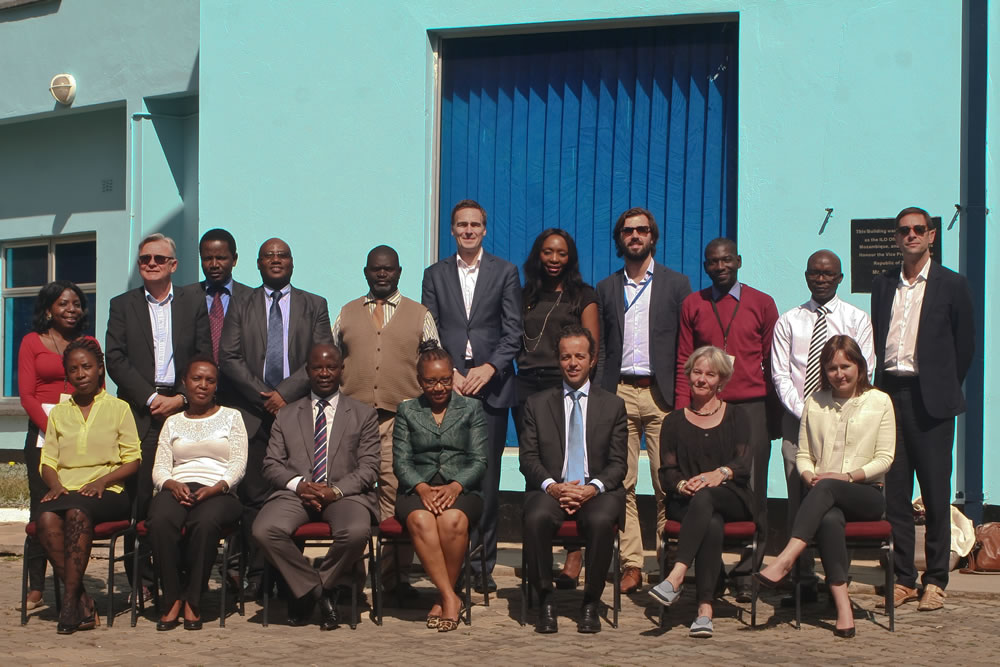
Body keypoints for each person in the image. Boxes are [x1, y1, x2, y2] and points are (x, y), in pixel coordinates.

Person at [756, 335, 895, 638]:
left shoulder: (880, 401)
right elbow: (803, 455)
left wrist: (846, 477)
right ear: (824, 371)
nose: (839, 374)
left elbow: (885, 458)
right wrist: (808, 476)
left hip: (866, 494)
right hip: (823, 496)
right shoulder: (814, 403)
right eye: (832, 368)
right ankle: (843, 608)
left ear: (859, 366)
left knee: (828, 488)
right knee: (830, 519)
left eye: (846, 366)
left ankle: (787, 557)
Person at [219, 237, 334, 598]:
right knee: (253, 498)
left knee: (294, 494)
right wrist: (263, 395)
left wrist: (284, 393)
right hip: (253, 414)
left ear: (292, 262)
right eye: (268, 256)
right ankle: (256, 575)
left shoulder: (314, 305)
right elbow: (229, 357)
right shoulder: (240, 303)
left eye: (282, 255)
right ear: (257, 264)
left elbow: (321, 355)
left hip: (297, 412)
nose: (275, 260)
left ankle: (287, 578)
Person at [872, 206, 974, 611]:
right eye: (903, 230)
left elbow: (963, 347)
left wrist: (942, 385)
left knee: (934, 492)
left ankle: (935, 580)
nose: (911, 235)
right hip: (890, 396)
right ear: (896, 238)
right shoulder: (883, 286)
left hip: (931, 400)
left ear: (931, 235)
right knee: (895, 493)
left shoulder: (952, 285)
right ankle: (902, 578)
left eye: (918, 229)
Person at [421, 199, 522, 594]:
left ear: (484, 229)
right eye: (461, 225)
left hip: (492, 390)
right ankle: (454, 565)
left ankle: (483, 567)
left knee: (490, 481)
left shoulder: (505, 272)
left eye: (474, 225)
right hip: (449, 390)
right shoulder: (435, 274)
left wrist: (489, 368)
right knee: (450, 475)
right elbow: (429, 331)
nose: (467, 231)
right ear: (452, 230)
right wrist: (454, 374)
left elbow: (513, 330)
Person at [105, 233, 212, 591]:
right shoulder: (122, 304)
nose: (151, 264)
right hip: (140, 410)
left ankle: (177, 573)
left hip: (184, 410)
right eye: (144, 259)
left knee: (181, 490)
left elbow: (204, 355)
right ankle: (142, 579)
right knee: (141, 496)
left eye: (158, 259)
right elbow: (115, 360)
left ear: (173, 265)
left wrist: (181, 398)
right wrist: (151, 399)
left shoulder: (192, 302)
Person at [595, 206, 691, 594]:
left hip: (661, 394)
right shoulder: (605, 288)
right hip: (618, 392)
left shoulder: (676, 284)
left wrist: (684, 396)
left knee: (666, 481)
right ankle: (632, 565)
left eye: (643, 230)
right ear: (619, 239)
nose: (635, 236)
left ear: (653, 236)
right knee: (624, 482)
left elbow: (685, 347)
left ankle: (668, 562)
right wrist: (602, 394)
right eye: (628, 231)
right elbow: (601, 348)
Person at [675, 237, 778, 599]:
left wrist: (773, 416)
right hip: (704, 409)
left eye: (726, 261)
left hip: (750, 407)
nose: (720, 267)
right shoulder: (693, 303)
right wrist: (681, 411)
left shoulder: (762, 303)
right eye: (713, 262)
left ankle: (749, 570)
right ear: (705, 266)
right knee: (705, 485)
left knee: (754, 488)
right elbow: (683, 359)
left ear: (739, 261)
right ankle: (712, 568)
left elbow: (773, 362)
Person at [770, 250, 874, 605]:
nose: (821, 278)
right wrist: (807, 412)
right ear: (806, 276)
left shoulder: (857, 319)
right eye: (815, 272)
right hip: (796, 418)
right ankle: (801, 579)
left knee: (833, 498)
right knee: (797, 497)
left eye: (829, 273)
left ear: (840, 278)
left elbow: (865, 368)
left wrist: (831, 415)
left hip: (846, 422)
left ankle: (836, 578)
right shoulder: (789, 321)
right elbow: (781, 373)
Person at [252, 343, 379, 630]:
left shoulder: (363, 414)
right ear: (307, 371)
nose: (324, 373)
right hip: (296, 494)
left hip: (345, 495)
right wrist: (299, 486)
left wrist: (334, 490)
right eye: (317, 367)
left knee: (357, 531)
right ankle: (317, 592)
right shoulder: (286, 415)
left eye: (330, 367)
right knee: (263, 530)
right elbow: (271, 464)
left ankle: (311, 590)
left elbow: (368, 467)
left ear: (341, 370)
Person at [336, 244, 438, 598]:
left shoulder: (419, 314)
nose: (382, 274)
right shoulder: (347, 312)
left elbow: (433, 364)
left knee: (398, 497)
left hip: (401, 420)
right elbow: (332, 363)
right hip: (354, 420)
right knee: (351, 494)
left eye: (389, 269)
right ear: (366, 272)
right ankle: (351, 577)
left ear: (399, 272)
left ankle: (394, 580)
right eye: (376, 269)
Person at [519, 324, 628, 634]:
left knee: (600, 521)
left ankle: (590, 602)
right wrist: (553, 487)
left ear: (592, 359)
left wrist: (591, 489)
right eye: (566, 357)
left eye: (580, 356)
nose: (573, 363)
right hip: (552, 488)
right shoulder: (537, 404)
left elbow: (619, 464)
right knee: (536, 517)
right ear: (558, 360)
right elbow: (528, 458)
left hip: (596, 491)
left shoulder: (613, 405)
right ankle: (546, 600)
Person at [36, 338, 141, 633]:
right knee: (45, 517)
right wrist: (55, 484)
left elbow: (133, 460)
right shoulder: (58, 413)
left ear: (100, 371)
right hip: (67, 490)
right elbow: (47, 461)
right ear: (67, 376)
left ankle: (69, 603)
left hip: (109, 491)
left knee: (77, 514)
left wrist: (102, 481)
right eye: (73, 369)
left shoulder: (119, 408)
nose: (80, 373)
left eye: (86, 367)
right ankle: (82, 598)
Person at [648, 346, 754, 639]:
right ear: (688, 375)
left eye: (710, 374)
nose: (702, 379)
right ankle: (705, 611)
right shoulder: (672, 421)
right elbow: (666, 472)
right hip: (687, 501)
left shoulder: (737, 416)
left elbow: (743, 464)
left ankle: (676, 576)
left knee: (708, 497)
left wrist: (716, 475)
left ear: (721, 380)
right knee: (711, 521)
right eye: (697, 372)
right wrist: (683, 484)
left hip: (732, 495)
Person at [392, 341, 488, 632]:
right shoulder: (407, 411)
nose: (438, 387)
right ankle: (449, 596)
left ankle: (441, 596)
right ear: (420, 381)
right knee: (421, 519)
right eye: (431, 381)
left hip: (462, 487)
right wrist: (421, 487)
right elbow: (401, 461)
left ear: (452, 376)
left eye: (445, 380)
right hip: (416, 488)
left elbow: (479, 459)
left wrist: (457, 486)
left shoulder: (472, 408)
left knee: (452, 520)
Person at [147, 356, 247, 631]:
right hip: (177, 487)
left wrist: (217, 487)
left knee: (203, 523)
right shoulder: (172, 422)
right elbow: (159, 468)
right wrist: (170, 485)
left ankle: (193, 599)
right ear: (184, 383)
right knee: (159, 520)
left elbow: (238, 464)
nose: (203, 385)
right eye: (196, 379)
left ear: (216, 385)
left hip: (220, 491)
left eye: (210, 380)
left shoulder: (231, 417)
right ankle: (171, 599)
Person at [17, 280, 90, 610]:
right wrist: (57, 431)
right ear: (48, 309)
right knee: (41, 503)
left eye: (76, 303)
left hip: (82, 431)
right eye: (63, 303)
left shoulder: (88, 343)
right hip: (44, 432)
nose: (71, 309)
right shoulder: (32, 342)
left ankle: (73, 579)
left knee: (75, 500)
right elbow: (27, 395)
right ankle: (36, 587)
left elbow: (97, 387)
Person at [185, 228, 254, 365]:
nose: (214, 265)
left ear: (234, 259)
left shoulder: (252, 298)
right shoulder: (185, 297)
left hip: (240, 382)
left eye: (221, 258)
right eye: (207, 259)